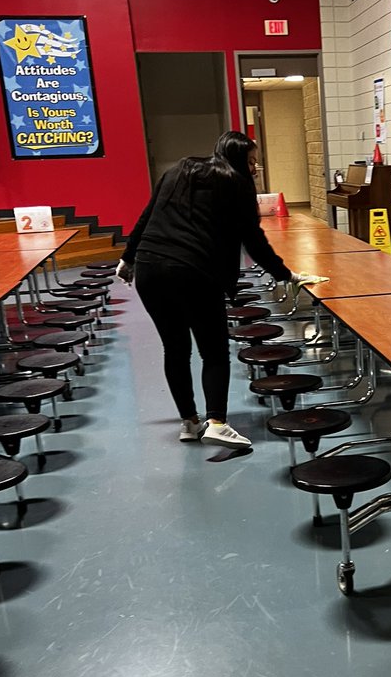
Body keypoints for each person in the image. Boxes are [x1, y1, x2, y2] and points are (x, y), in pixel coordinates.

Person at [116, 131, 300, 449]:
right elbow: (252, 239)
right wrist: (284, 273)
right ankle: (217, 422)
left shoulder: (179, 169)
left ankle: (189, 422)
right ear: (236, 158)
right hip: (194, 271)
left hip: (150, 268)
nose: (255, 169)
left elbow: (147, 215)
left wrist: (128, 256)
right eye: (251, 161)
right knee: (213, 351)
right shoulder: (236, 183)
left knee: (175, 349)